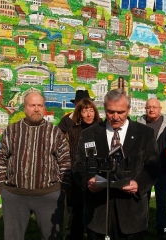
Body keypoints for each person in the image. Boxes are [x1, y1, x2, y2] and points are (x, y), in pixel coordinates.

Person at [73, 89, 161, 240]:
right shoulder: (89, 134)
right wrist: (87, 181)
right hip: (98, 214)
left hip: (132, 214)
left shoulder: (144, 134)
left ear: (128, 109)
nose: (115, 117)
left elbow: (153, 167)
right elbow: (79, 166)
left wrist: (139, 184)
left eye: (120, 112)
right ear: (104, 109)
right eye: (110, 112)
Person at [0, 91, 71, 240]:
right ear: (24, 108)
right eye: (32, 105)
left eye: (40, 105)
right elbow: (1, 158)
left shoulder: (54, 133)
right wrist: (2, 186)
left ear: (44, 108)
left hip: (48, 196)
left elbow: (65, 161)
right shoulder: (12, 131)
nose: (36, 109)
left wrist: (63, 188)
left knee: (52, 237)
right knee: (12, 237)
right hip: (15, 196)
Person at [137, 98, 166, 240]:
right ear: (145, 108)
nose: (152, 110)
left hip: (162, 169)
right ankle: (141, 226)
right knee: (142, 199)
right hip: (144, 170)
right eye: (149, 107)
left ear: (160, 109)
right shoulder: (138, 124)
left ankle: (160, 228)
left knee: (162, 200)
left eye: (154, 107)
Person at [65, 98, 101, 240]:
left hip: (97, 178)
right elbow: (66, 155)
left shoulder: (102, 130)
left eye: (91, 110)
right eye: (84, 110)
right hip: (77, 179)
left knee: (97, 213)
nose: (88, 114)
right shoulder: (72, 132)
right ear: (79, 113)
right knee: (77, 214)